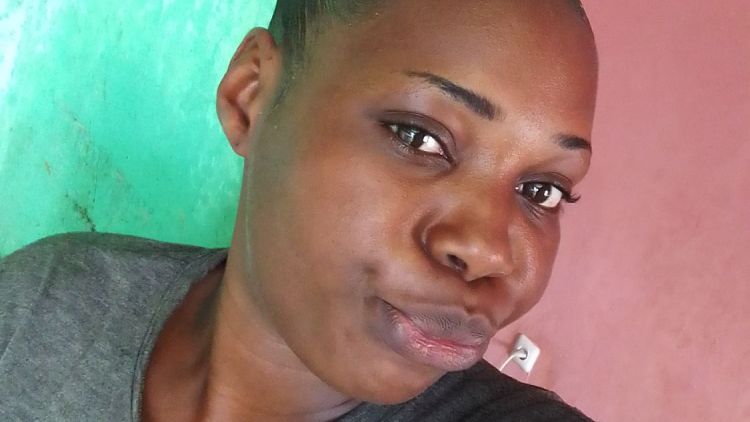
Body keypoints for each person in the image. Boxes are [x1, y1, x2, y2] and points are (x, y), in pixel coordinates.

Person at [0, 0, 598, 420]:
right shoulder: (45, 303)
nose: (490, 252)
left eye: (541, 190)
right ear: (251, 96)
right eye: (419, 137)